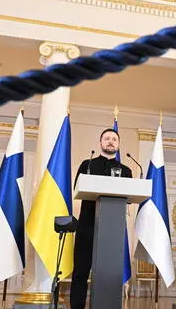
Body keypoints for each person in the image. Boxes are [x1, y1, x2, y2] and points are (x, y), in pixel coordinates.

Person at [70, 128, 133, 309]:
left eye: (114, 139)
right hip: (87, 226)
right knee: (81, 271)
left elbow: (129, 197)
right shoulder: (87, 165)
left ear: (119, 145)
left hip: (112, 230)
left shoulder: (126, 170)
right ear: (100, 143)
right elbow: (77, 189)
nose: (110, 141)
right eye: (106, 138)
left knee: (108, 273)